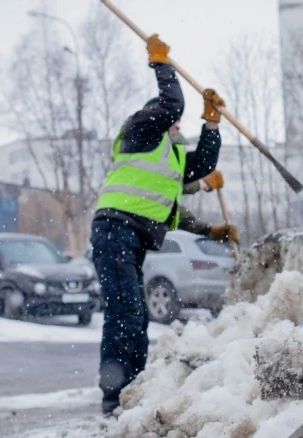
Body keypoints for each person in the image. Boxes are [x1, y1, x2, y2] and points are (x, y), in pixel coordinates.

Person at [90, 33, 231, 415]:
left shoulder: (167, 157)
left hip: (128, 236)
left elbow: (201, 165)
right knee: (126, 314)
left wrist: (212, 124)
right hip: (114, 229)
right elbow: (171, 102)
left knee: (134, 315)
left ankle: (130, 390)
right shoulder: (140, 131)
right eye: (174, 122)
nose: (177, 125)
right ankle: (114, 396)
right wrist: (161, 64)